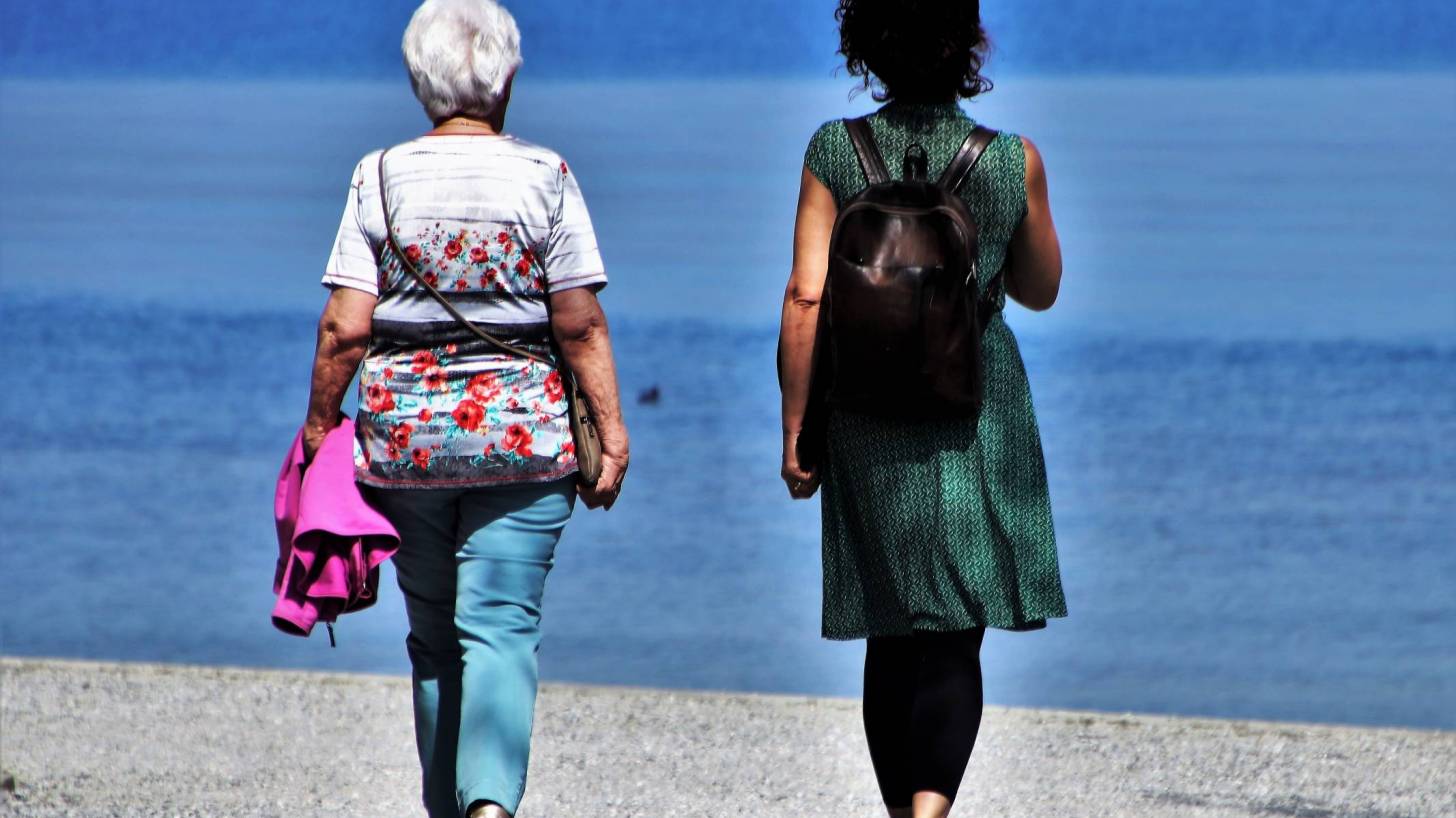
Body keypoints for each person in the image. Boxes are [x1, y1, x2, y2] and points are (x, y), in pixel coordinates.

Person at [299, 1, 628, 815]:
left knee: (435, 639)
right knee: (502, 631)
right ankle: (490, 807)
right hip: (527, 448)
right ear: (508, 76)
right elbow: (579, 321)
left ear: (420, 82)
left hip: (404, 451)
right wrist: (613, 432)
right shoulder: (548, 175)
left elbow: (344, 327)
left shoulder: (376, 175)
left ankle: (452, 809)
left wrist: (317, 431)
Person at [777, 2, 1068, 816]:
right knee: (955, 632)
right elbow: (1042, 291)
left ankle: (903, 809)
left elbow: (805, 298)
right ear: (969, 46)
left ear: (866, 46)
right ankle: (929, 812)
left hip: (865, 409)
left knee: (890, 626)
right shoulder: (1012, 160)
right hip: (977, 406)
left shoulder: (836, 150)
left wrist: (796, 428)